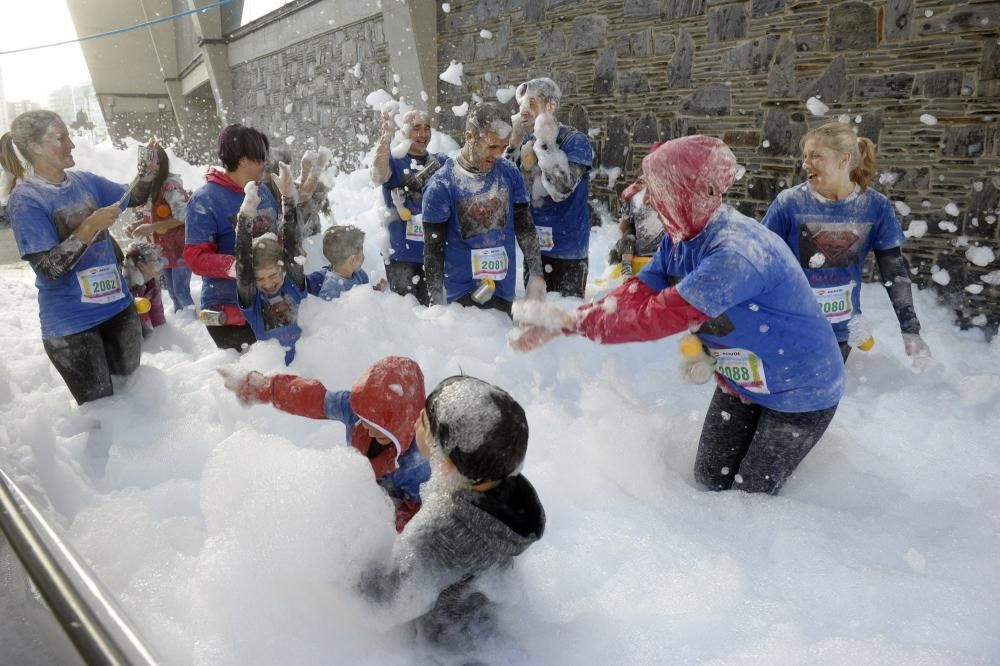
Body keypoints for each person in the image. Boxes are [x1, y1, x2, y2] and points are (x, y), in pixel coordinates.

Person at [512, 135, 846, 495]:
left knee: (749, 501)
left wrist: (573, 324)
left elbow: (658, 316)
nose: (650, 200)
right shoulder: (681, 238)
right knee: (707, 482)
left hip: (801, 388)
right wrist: (574, 319)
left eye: (659, 190)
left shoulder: (735, 253)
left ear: (690, 191)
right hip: (743, 382)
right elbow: (640, 289)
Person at [360, 375, 545, 660]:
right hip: (485, 619)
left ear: (445, 461)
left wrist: (350, 564)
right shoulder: (513, 495)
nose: (418, 415)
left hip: (446, 642)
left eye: (424, 421)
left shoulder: (439, 531)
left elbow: (390, 598)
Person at [0, 109, 155, 404]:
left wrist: (146, 175)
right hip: (72, 326)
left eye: (69, 136)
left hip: (119, 311)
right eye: (61, 138)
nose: (71, 144)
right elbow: (49, 268)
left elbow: (132, 197)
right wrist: (90, 225)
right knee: (103, 415)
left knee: (134, 404)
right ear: (34, 147)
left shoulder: (84, 181)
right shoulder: (27, 200)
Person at [761, 121, 931, 366]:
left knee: (819, 401)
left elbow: (894, 270)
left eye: (816, 156)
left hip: (840, 329)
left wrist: (910, 328)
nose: (806, 164)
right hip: (788, 326)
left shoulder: (875, 206)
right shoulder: (789, 203)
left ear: (844, 160)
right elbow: (758, 261)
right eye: (805, 156)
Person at [219, 356, 431, 531]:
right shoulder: (353, 409)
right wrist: (265, 388)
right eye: (365, 419)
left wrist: (382, 525)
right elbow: (311, 397)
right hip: (358, 487)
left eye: (380, 424)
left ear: (404, 422)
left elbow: (418, 512)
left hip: (387, 508)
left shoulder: (418, 463)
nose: (367, 427)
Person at [422, 102, 547, 316]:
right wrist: (436, 301)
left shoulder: (508, 173)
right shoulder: (442, 185)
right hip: (461, 296)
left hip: (503, 290)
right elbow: (433, 251)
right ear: (469, 137)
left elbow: (524, 226)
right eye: (491, 146)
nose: (499, 155)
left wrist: (536, 273)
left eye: (504, 147)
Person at [184, 124, 279, 351]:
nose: (264, 162)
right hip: (230, 312)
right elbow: (195, 257)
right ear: (244, 159)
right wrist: (239, 266)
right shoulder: (205, 200)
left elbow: (276, 236)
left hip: (271, 302)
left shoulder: (263, 192)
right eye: (260, 157)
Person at [506, 77, 593, 298]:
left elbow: (561, 189)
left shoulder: (575, 141)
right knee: (535, 320)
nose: (523, 111)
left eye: (531, 104)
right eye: (521, 106)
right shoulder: (525, 144)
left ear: (550, 106)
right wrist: (513, 146)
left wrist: (546, 142)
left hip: (568, 251)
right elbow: (506, 186)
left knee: (564, 323)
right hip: (535, 251)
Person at [370, 108, 447, 305]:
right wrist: (385, 138)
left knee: (435, 313)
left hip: (432, 252)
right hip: (401, 252)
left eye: (427, 127)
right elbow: (377, 176)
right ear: (404, 131)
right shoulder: (394, 161)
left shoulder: (440, 163)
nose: (423, 134)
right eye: (416, 128)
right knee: (405, 314)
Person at [235, 164, 307, 365]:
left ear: (283, 269)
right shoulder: (254, 300)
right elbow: (243, 267)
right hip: (274, 371)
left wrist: (288, 198)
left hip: (307, 364)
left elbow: (292, 246)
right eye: (260, 278)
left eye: (273, 275)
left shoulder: (293, 284)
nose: (267, 284)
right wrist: (245, 218)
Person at [128, 144, 193, 312]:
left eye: (157, 163)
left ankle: (195, 327)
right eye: (149, 163)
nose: (153, 167)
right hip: (164, 250)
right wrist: (137, 226)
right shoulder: (150, 187)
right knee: (172, 292)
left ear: (163, 164)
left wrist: (152, 227)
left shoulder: (169, 185)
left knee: (181, 292)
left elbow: (183, 215)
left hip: (180, 247)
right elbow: (154, 214)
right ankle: (184, 324)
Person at [305, 224, 387, 300]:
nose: (364, 256)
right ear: (353, 260)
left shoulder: (360, 274)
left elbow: (363, 296)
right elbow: (328, 314)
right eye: (362, 253)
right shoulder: (331, 290)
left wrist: (376, 291)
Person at [607, 176, 665, 278]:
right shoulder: (672, 194)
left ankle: (626, 266)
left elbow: (624, 225)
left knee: (628, 235)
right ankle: (626, 267)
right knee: (628, 236)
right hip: (659, 252)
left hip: (644, 252)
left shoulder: (633, 195)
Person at [122, 241, 166, 339]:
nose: (162, 263)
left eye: (160, 259)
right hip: (128, 333)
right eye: (157, 261)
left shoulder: (153, 284)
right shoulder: (125, 286)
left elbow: (157, 313)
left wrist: (163, 336)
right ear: (141, 265)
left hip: (144, 329)